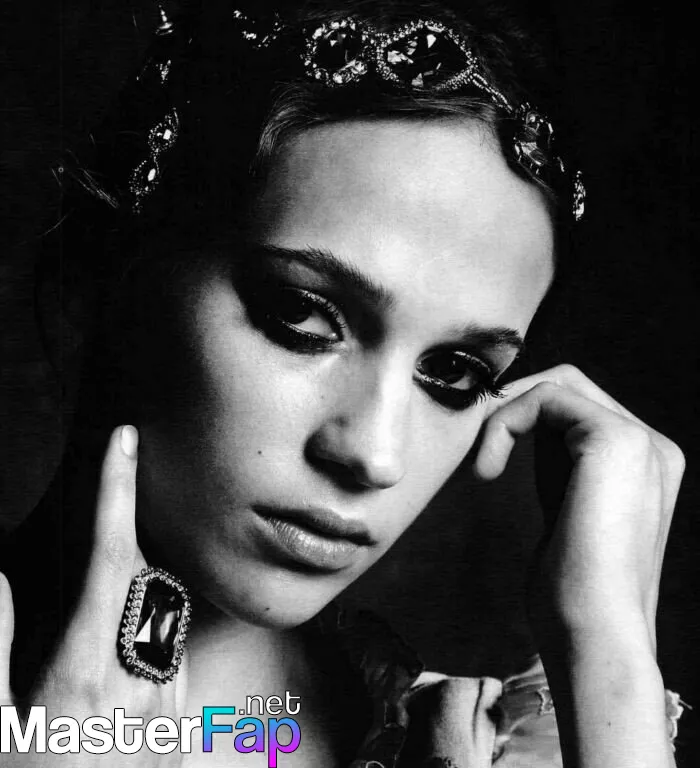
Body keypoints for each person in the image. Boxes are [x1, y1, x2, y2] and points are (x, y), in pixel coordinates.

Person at [0, 1, 686, 765]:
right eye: (301, 315)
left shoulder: (484, 746)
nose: (374, 455)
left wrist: (610, 659)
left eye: (454, 372)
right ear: (104, 272)